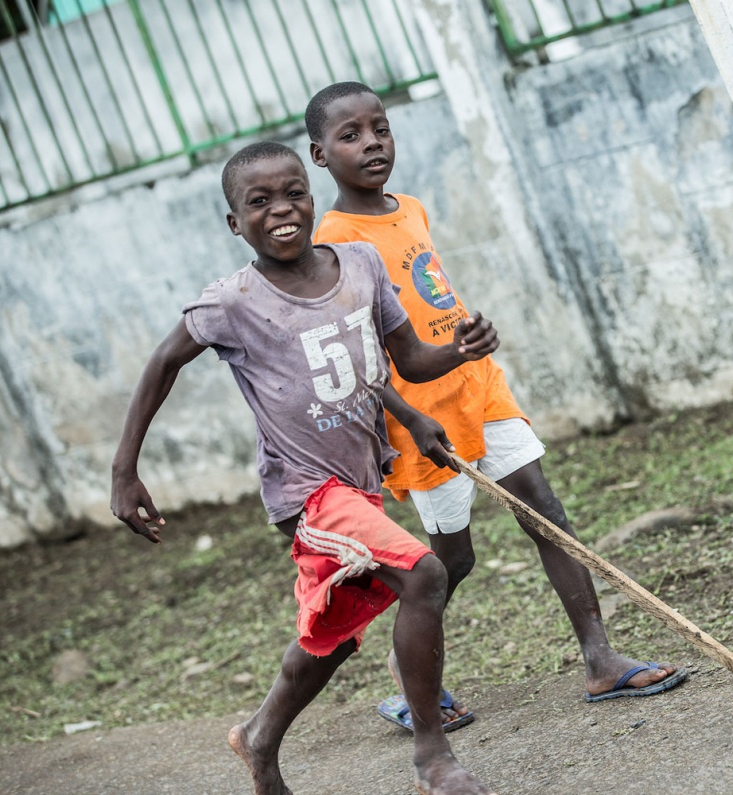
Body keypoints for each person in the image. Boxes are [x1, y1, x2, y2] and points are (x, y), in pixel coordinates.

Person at [110, 141, 497, 795]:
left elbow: (401, 359)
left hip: (360, 485)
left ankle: (259, 736)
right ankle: (434, 759)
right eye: (259, 202)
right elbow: (163, 361)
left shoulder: (360, 264)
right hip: (307, 492)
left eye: (293, 193)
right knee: (425, 573)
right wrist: (125, 470)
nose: (281, 209)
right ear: (235, 222)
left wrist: (454, 355)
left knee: (336, 633)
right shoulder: (234, 300)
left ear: (311, 198)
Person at [304, 81, 687, 731]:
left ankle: (600, 659)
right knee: (451, 560)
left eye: (380, 128)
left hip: (478, 384)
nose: (372, 143)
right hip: (422, 415)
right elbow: (356, 352)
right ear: (320, 155)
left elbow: (429, 295)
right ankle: (409, 670)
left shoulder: (411, 209)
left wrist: (469, 342)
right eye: (350, 135)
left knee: (546, 510)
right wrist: (405, 418)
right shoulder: (335, 241)